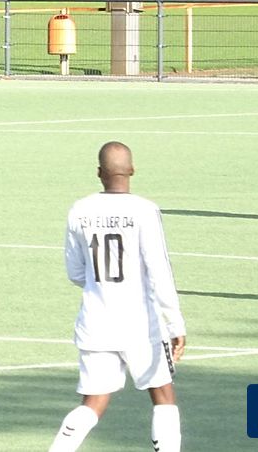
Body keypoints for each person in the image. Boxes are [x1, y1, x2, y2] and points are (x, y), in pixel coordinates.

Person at [49, 141, 187, 452]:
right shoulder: (145, 210)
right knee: (163, 395)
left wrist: (101, 285)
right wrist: (175, 322)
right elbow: (159, 270)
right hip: (142, 325)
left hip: (96, 323)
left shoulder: (80, 210)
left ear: (99, 172)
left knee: (93, 401)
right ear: (132, 170)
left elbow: (75, 271)